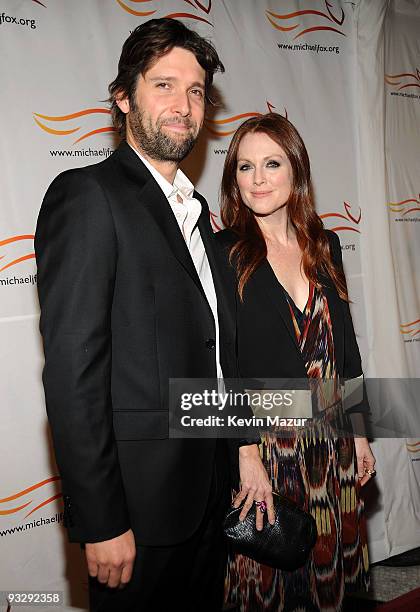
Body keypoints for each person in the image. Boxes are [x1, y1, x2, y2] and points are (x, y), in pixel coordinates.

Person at [35, 18, 272, 612]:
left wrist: (245, 454)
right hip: (137, 513)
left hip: (212, 493)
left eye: (195, 91)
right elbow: (73, 373)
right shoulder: (88, 196)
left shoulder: (200, 218)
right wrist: (101, 519)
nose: (184, 105)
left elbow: (222, 356)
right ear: (123, 97)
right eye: (164, 85)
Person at [217, 113, 376, 611]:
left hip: (333, 449)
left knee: (334, 573)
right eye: (245, 167)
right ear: (234, 179)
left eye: (271, 163)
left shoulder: (324, 245)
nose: (258, 178)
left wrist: (361, 431)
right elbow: (224, 366)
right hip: (268, 452)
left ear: (296, 172)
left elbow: (345, 348)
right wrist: (248, 458)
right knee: (270, 583)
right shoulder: (225, 253)